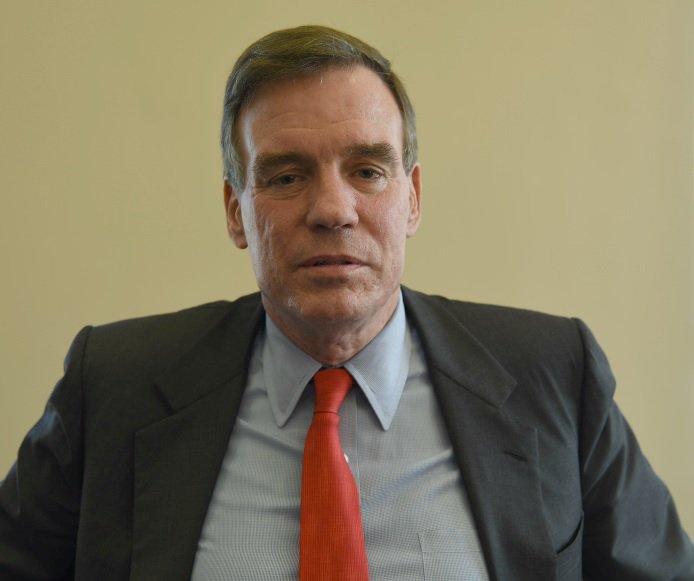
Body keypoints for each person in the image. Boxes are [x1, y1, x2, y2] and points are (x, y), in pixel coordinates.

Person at [0, 25, 692, 581]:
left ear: (412, 198)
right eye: (286, 176)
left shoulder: (553, 375)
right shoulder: (113, 386)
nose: (333, 209)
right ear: (236, 212)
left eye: (367, 170)